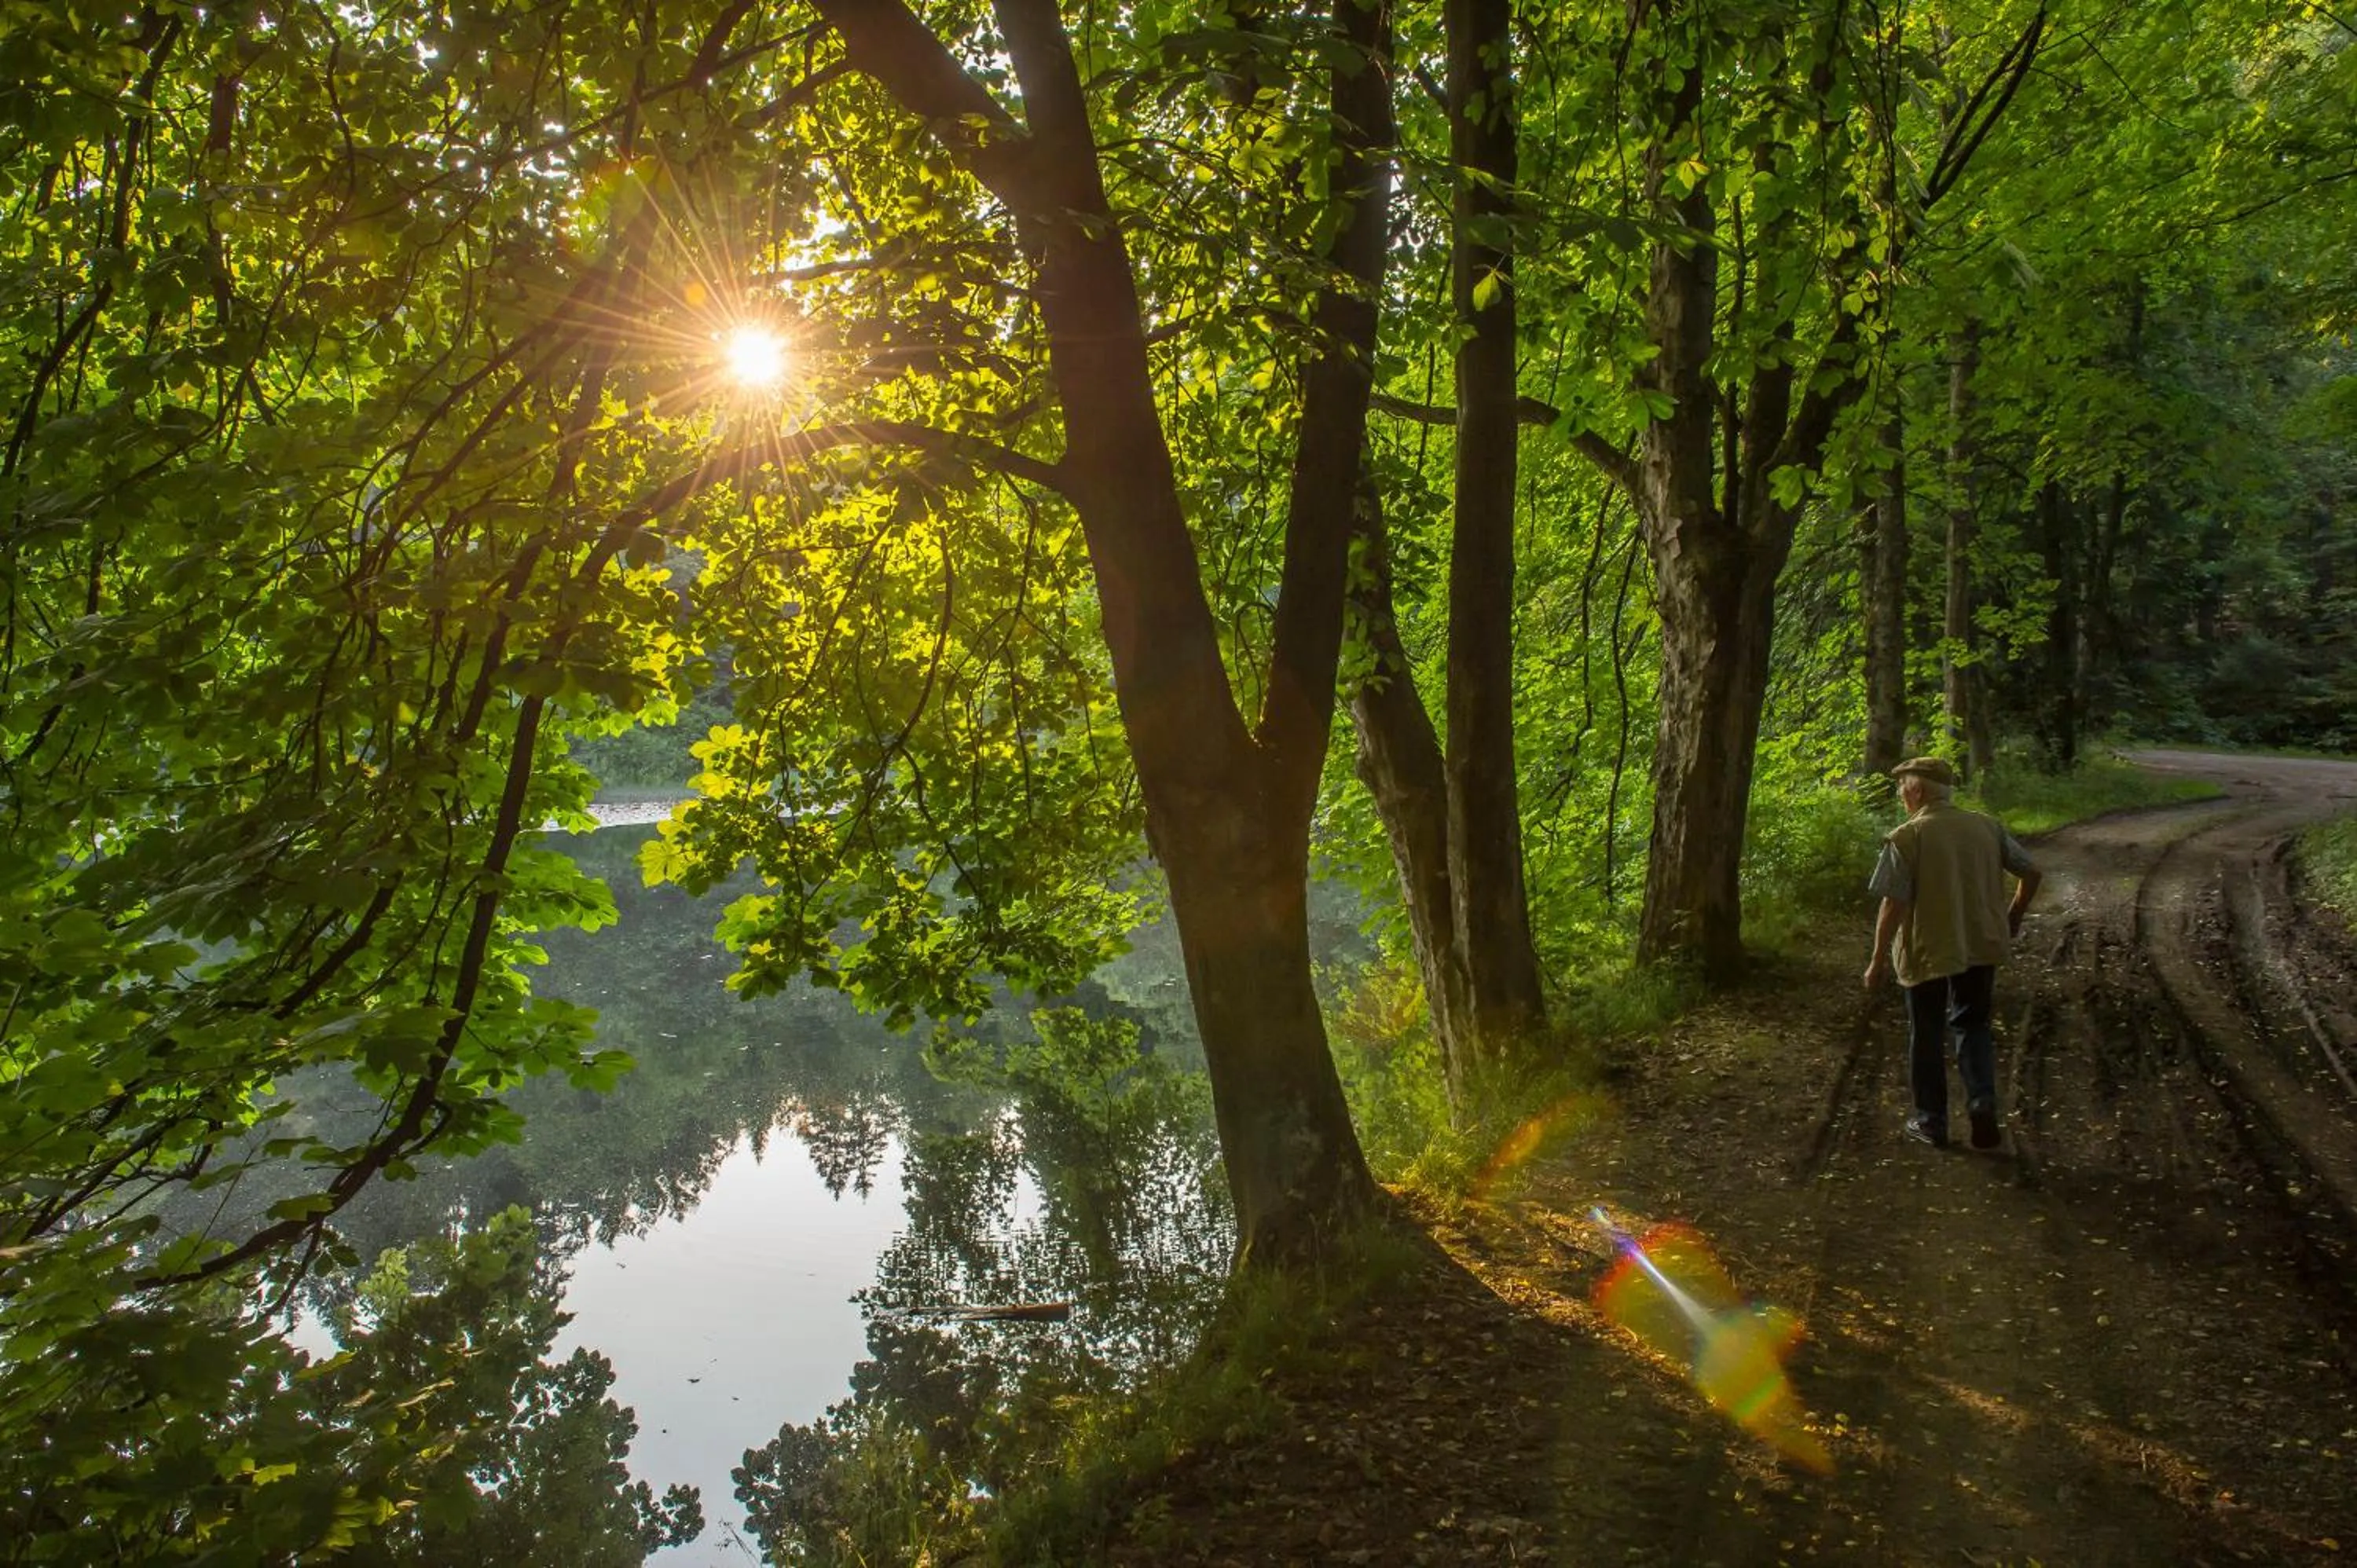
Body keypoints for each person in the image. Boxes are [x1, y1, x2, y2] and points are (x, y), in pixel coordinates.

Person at [1861, 757, 2043, 1149]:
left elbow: (1893, 903)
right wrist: (2013, 916)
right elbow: (2031, 872)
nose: (1900, 793)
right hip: (1981, 942)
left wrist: (1877, 960)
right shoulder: (1986, 826)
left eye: (1902, 786)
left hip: (1927, 948)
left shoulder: (1908, 836)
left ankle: (1931, 1122)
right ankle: (1981, 1103)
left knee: (1926, 1031)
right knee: (1972, 1024)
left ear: (1917, 791)